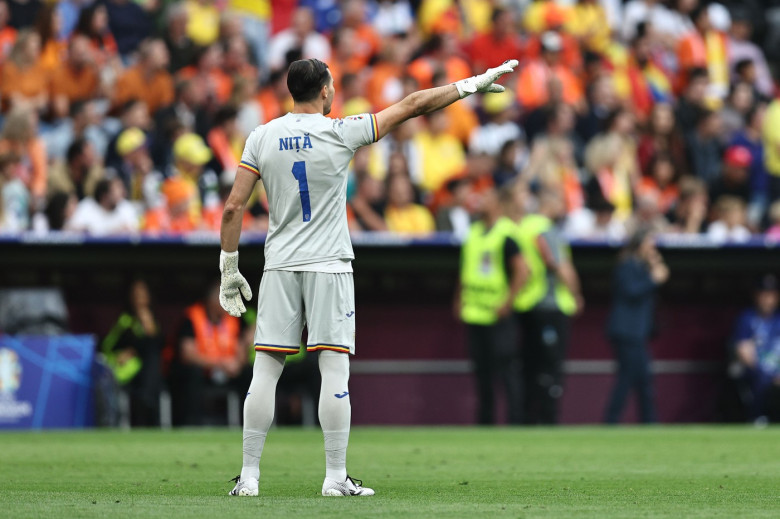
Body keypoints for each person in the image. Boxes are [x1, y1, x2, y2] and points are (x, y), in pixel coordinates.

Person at [218, 57, 518, 497]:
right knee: (334, 369)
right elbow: (413, 104)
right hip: (330, 265)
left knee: (265, 369)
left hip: (280, 265)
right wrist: (470, 85)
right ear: (323, 91)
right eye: (332, 85)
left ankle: (248, 478)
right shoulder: (341, 132)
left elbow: (232, 207)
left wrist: (229, 268)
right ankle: (335, 478)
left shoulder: (261, 137)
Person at [455, 186, 526, 424]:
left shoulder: (506, 233)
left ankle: (516, 421)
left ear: (497, 203)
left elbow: (522, 271)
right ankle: (485, 422)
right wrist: (459, 297)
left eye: (486, 197)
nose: (480, 201)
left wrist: (508, 302)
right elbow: (466, 269)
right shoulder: (473, 232)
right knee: (481, 373)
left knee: (507, 372)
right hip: (475, 312)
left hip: (498, 315)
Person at [513, 189, 582, 425]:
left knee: (528, 366)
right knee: (550, 368)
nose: (563, 208)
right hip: (549, 304)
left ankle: (525, 417)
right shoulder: (543, 229)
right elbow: (558, 265)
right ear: (549, 203)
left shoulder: (522, 226)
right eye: (561, 202)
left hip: (525, 304)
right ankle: (547, 419)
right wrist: (576, 293)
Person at [603, 229, 668, 424]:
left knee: (643, 380)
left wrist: (654, 266)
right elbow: (631, 291)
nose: (653, 248)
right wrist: (653, 279)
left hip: (638, 332)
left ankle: (648, 421)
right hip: (626, 331)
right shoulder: (626, 265)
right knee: (628, 379)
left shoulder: (642, 266)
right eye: (649, 244)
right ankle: (612, 421)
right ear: (639, 245)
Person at [170, 280, 253, 426]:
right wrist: (219, 364)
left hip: (228, 371)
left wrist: (237, 364)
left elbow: (242, 349)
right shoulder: (192, 317)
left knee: (249, 373)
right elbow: (187, 354)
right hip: (202, 370)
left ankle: (249, 423)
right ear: (212, 300)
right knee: (191, 373)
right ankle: (192, 425)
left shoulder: (234, 317)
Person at [101, 279, 163, 426]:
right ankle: (147, 407)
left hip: (148, 375)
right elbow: (108, 347)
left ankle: (147, 402)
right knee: (149, 375)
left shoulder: (154, 322)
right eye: (136, 295)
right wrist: (126, 352)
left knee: (153, 360)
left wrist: (148, 326)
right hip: (126, 372)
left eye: (142, 295)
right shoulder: (125, 321)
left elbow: (157, 347)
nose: (139, 300)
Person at [732, 275, 780, 423]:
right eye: (763, 294)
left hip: (778, 371)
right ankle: (758, 418)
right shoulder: (747, 318)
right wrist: (767, 372)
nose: (767, 299)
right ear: (756, 296)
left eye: (771, 295)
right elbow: (742, 349)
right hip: (756, 371)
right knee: (760, 378)